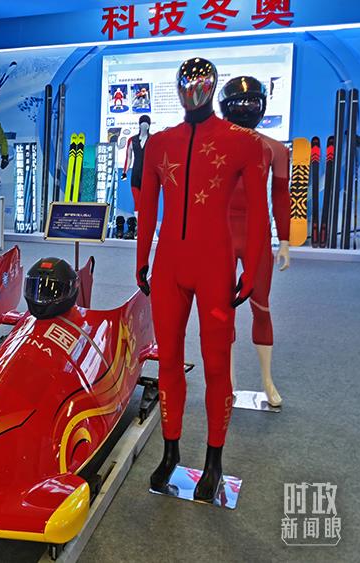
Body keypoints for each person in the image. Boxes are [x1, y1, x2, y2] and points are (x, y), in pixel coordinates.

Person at [136, 58, 269, 502]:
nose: (192, 91)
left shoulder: (242, 143)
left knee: (215, 364)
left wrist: (252, 266)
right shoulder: (159, 143)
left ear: (212, 89)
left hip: (215, 265)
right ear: (177, 89)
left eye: (200, 84)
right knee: (169, 361)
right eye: (185, 84)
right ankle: (170, 451)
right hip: (169, 265)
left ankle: (214, 460)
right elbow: (148, 208)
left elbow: (258, 211)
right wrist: (142, 258)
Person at [220, 75, 291, 407]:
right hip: (220, 233)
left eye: (253, 102)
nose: (247, 108)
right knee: (222, 308)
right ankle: (228, 378)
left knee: (261, 306)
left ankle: (267, 379)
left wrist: (285, 240)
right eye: (240, 102)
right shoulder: (213, 145)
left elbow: (280, 196)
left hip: (256, 235)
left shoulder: (275, 149)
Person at [122, 115, 152, 211]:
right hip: (135, 174)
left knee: (147, 202)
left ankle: (146, 220)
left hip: (148, 175)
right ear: (139, 125)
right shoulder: (132, 140)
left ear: (149, 126)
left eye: (146, 124)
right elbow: (129, 157)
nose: (144, 126)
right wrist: (124, 172)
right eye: (142, 124)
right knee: (137, 201)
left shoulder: (153, 139)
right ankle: (137, 220)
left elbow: (157, 158)